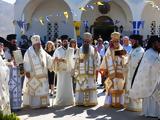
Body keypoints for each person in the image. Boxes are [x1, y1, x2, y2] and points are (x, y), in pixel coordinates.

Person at [129, 36, 160, 119]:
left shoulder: (156, 52)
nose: (159, 44)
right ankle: (150, 112)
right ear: (153, 43)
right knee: (150, 96)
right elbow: (153, 64)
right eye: (158, 43)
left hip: (156, 78)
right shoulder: (149, 52)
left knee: (156, 97)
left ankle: (156, 112)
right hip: (149, 79)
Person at [23, 35, 54, 108]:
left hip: (43, 76)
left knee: (43, 90)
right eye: (37, 44)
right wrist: (27, 71)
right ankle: (35, 104)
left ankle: (44, 104)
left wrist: (54, 60)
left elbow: (49, 59)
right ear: (33, 45)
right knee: (35, 91)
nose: (39, 46)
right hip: (33, 76)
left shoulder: (42, 51)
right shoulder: (28, 52)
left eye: (39, 44)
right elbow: (26, 62)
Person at [100, 32, 127, 108]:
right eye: (114, 41)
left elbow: (126, 57)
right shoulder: (109, 49)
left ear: (119, 41)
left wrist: (123, 58)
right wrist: (105, 69)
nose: (116, 43)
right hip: (111, 72)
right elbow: (105, 59)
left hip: (120, 71)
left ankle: (120, 102)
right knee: (111, 86)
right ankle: (111, 102)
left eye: (117, 41)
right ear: (112, 41)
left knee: (120, 86)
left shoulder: (121, 49)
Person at [74, 32, 100, 106]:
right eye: (85, 41)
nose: (86, 43)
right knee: (81, 86)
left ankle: (91, 101)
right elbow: (75, 59)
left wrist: (95, 55)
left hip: (90, 73)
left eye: (88, 41)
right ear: (83, 41)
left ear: (90, 41)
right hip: (81, 73)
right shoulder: (79, 49)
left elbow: (97, 59)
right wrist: (78, 61)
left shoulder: (93, 49)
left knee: (90, 86)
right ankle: (80, 102)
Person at [53, 35, 74, 106]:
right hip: (61, 71)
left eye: (66, 41)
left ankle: (69, 101)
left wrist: (73, 69)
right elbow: (54, 59)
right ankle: (60, 101)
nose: (65, 42)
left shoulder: (71, 50)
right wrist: (57, 60)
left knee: (68, 86)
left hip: (68, 70)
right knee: (61, 85)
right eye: (64, 41)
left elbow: (73, 60)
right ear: (62, 42)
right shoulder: (58, 50)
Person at [125, 34, 144, 111]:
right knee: (130, 87)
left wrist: (129, 60)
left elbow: (136, 62)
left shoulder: (141, 50)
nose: (131, 43)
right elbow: (129, 58)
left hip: (136, 73)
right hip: (130, 73)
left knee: (135, 88)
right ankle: (130, 105)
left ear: (137, 41)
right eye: (131, 42)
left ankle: (137, 106)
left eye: (132, 42)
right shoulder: (133, 49)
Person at [6, 34, 23, 111]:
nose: (14, 42)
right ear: (9, 41)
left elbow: (20, 61)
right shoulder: (6, 50)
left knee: (18, 89)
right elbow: (5, 61)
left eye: (15, 41)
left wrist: (22, 69)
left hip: (17, 71)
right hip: (10, 72)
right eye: (13, 41)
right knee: (11, 89)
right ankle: (11, 106)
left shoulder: (18, 49)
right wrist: (11, 60)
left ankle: (18, 106)